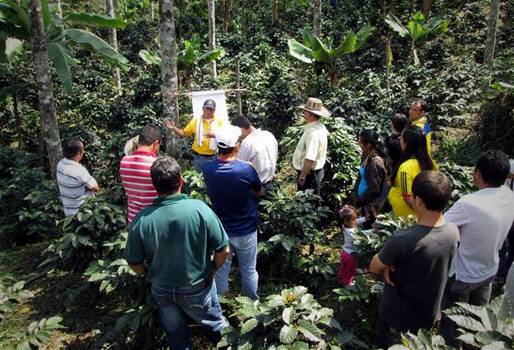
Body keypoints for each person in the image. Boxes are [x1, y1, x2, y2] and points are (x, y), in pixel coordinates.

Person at [125, 156, 230, 350]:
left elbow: (134, 262)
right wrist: (214, 270)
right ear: (181, 180)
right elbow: (223, 249)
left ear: (154, 185)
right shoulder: (199, 209)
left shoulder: (141, 220)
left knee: (176, 335)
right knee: (215, 325)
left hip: (162, 288)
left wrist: (148, 274)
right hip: (197, 285)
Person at [370, 171, 459, 348]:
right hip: (429, 315)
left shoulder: (402, 239)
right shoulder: (453, 231)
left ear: (418, 200)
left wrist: (388, 262)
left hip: (397, 318)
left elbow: (374, 267)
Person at [440, 150, 514, 347]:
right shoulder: (509, 196)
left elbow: (440, 226)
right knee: (477, 325)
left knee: (453, 329)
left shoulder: (469, 203)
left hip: (462, 275)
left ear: (479, 174)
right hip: (489, 270)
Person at [202, 126, 264, 300]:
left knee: (220, 269)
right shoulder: (246, 169)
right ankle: (251, 302)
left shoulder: (208, 169)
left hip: (221, 230)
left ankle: (222, 303)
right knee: (249, 269)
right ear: (236, 146)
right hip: (246, 228)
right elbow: (259, 192)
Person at [387, 126, 436, 218]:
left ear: (406, 143)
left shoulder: (405, 168)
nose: (399, 140)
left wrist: (424, 216)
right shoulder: (431, 164)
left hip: (406, 218)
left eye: (401, 138)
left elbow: (407, 197)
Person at [165, 99, 225, 173]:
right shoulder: (196, 122)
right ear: (203, 109)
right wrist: (174, 128)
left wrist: (215, 135)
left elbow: (225, 139)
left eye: (211, 109)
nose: (209, 111)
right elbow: (183, 134)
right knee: (199, 181)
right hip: (199, 158)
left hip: (213, 157)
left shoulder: (219, 123)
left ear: (214, 110)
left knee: (212, 180)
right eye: (207, 108)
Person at [120, 125, 161, 223]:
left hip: (134, 220)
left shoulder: (124, 162)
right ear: (156, 143)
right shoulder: (157, 164)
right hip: (154, 220)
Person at [293, 97, 330, 195]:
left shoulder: (313, 133)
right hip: (313, 172)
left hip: (309, 174)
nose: (304, 114)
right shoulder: (319, 127)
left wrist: (302, 176)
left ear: (309, 115)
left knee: (306, 201)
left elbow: (310, 158)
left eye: (305, 112)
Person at [232, 116, 278, 190]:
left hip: (256, 188)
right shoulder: (269, 135)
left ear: (241, 129)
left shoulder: (247, 144)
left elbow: (239, 169)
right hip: (271, 184)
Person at [56, 137, 99, 216]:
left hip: (68, 210)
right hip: (82, 212)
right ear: (79, 153)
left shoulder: (60, 164)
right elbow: (96, 188)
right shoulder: (79, 170)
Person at [353, 129, 387, 222]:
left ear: (368, 145)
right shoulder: (366, 155)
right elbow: (360, 177)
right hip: (364, 203)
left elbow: (374, 189)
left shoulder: (375, 162)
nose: (358, 144)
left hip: (371, 207)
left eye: (360, 142)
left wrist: (360, 200)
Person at [337, 205, 359, 286]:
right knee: (349, 269)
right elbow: (362, 234)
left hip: (345, 252)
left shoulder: (345, 225)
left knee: (344, 267)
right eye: (353, 219)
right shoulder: (350, 231)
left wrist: (364, 219)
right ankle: (347, 283)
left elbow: (357, 222)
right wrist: (373, 231)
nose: (356, 221)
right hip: (350, 255)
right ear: (346, 221)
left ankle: (341, 277)